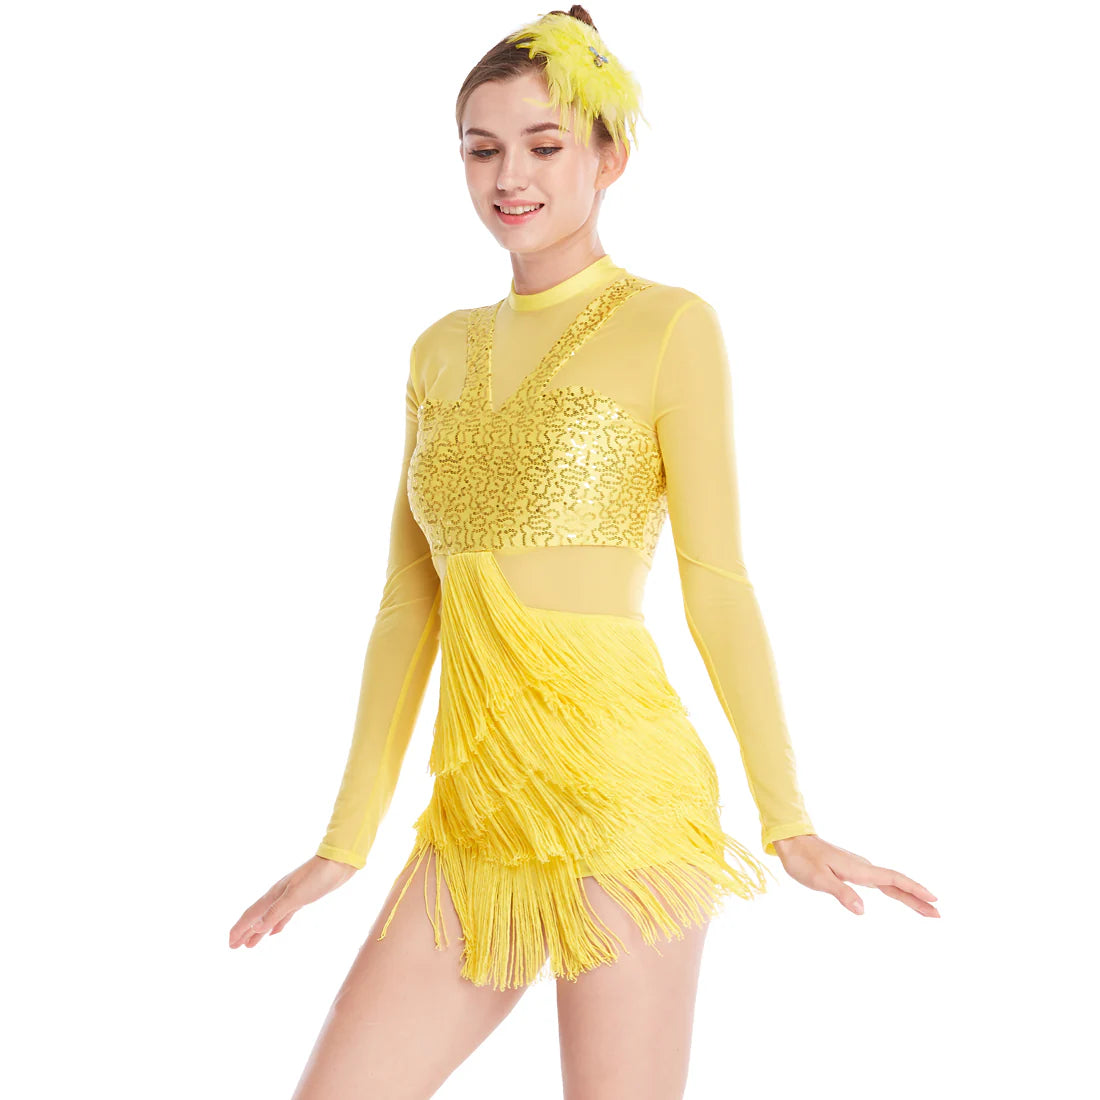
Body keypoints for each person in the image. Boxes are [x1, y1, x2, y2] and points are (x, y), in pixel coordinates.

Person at [230, 8, 940, 1097]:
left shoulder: (668, 325)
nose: (509, 176)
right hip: (477, 809)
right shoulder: (436, 349)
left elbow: (717, 584)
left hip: (624, 800)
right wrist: (345, 839)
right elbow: (407, 603)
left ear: (610, 157)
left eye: (544, 145)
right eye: (481, 149)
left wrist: (786, 819)